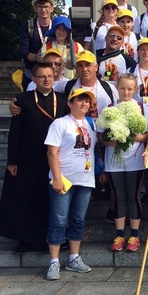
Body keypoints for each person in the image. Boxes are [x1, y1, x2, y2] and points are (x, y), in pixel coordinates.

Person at [0, 63, 68, 254]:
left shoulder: (62, 100)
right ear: (33, 79)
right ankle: (25, 239)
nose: (47, 79)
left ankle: (51, 237)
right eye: (42, 76)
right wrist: (12, 161)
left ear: (56, 77)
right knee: (25, 198)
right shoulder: (23, 100)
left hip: (54, 159)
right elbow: (15, 132)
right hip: (28, 158)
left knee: (50, 199)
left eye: (50, 75)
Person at [44, 88, 98, 280]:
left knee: (78, 219)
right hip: (64, 178)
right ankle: (54, 262)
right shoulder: (60, 123)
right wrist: (56, 177)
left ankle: (74, 258)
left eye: (86, 101)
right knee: (58, 219)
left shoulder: (92, 123)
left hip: (85, 178)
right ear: (70, 103)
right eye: (79, 100)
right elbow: (52, 152)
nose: (83, 104)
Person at [102, 74, 148, 252]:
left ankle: (135, 235)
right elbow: (101, 137)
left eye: (130, 88)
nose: (126, 92)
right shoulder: (109, 108)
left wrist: (129, 137)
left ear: (135, 89)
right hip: (113, 161)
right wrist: (113, 139)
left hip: (135, 160)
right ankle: (120, 234)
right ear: (117, 87)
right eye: (122, 88)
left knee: (134, 196)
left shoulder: (143, 108)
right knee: (118, 197)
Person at [20, 0, 54, 89]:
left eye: (46, 7)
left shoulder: (56, 27)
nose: (43, 10)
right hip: (31, 74)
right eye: (40, 7)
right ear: (35, 8)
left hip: (51, 75)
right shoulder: (28, 26)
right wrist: (36, 57)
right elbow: (22, 51)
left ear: (51, 8)